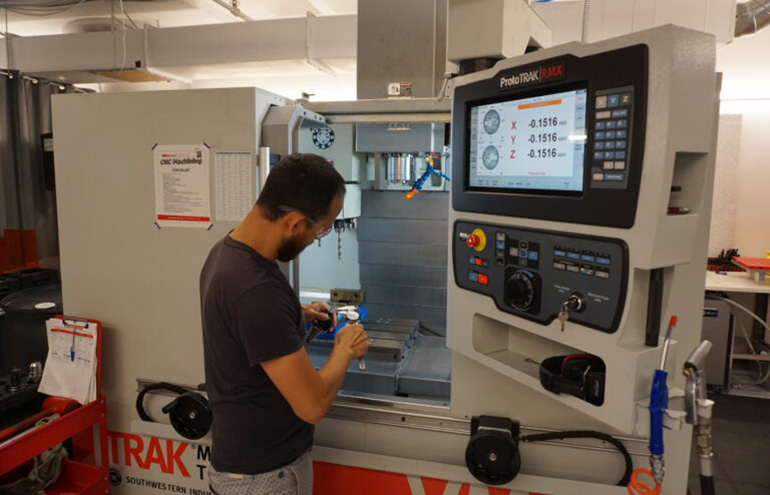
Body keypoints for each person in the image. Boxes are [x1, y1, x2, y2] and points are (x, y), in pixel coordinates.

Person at [200, 153, 369, 495]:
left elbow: (245, 329)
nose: (317, 238)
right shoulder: (256, 290)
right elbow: (312, 406)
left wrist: (295, 314)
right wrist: (344, 349)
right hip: (264, 476)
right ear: (293, 222)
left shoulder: (227, 250)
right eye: (321, 229)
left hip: (245, 462)